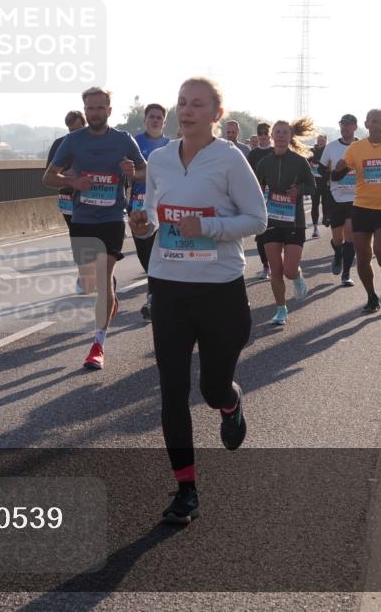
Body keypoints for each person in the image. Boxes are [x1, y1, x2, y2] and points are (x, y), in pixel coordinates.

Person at [128, 77, 266, 524]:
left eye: (197, 104)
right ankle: (185, 490)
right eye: (182, 103)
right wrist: (144, 224)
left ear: (216, 115)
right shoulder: (161, 159)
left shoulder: (230, 159)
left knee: (210, 388)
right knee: (171, 390)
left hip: (220, 290)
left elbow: (258, 218)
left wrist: (208, 229)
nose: (186, 111)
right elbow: (154, 210)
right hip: (168, 286)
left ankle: (229, 402)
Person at [43, 86, 146, 370]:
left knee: (102, 279)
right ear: (84, 110)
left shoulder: (123, 140)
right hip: (83, 219)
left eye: (100, 108)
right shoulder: (73, 141)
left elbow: (146, 171)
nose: (95, 113)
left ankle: (98, 345)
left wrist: (132, 173)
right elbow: (48, 178)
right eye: (90, 109)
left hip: (112, 218)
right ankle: (109, 296)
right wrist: (73, 182)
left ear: (109, 110)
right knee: (91, 284)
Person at [330, 109, 381, 313]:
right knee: (363, 256)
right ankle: (371, 297)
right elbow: (337, 173)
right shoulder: (356, 148)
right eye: (374, 121)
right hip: (361, 209)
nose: (378, 125)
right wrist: (338, 169)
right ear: (366, 125)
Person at [254, 119, 317, 325]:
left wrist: (299, 190)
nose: (281, 135)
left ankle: (298, 278)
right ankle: (281, 310)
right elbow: (256, 188)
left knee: (289, 270)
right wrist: (261, 198)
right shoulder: (264, 163)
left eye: (284, 132)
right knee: (276, 269)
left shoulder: (299, 161)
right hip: (272, 219)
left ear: (290, 137)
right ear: (272, 135)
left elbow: (312, 186)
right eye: (277, 132)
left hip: (294, 221)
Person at [130, 103, 171, 320]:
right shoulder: (135, 143)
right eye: (151, 117)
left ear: (164, 122)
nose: (155, 120)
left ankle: (153, 297)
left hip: (161, 208)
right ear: (145, 120)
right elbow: (126, 170)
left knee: (158, 254)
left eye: (159, 117)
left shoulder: (172, 146)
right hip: (138, 207)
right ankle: (156, 289)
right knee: (144, 255)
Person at [320, 114, 359, 287]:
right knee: (338, 239)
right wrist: (333, 176)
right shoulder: (331, 147)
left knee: (350, 235)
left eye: (349, 125)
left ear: (355, 127)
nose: (345, 128)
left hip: (356, 197)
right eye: (343, 125)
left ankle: (346, 273)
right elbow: (320, 169)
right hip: (336, 197)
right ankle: (337, 253)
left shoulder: (362, 146)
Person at [46, 111, 87, 230]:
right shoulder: (59, 143)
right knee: (76, 233)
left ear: (85, 126)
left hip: (89, 196)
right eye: (71, 130)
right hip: (67, 197)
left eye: (78, 130)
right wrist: (64, 175)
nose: (74, 134)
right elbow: (48, 174)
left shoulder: (93, 142)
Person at [246, 123, 274, 279]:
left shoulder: (275, 151)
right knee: (261, 234)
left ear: (269, 135)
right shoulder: (253, 154)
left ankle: (276, 260)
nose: (263, 136)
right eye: (260, 134)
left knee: (275, 232)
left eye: (265, 133)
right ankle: (265, 266)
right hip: (258, 198)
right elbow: (247, 176)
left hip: (276, 199)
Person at [308, 133, 329, 236]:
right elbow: (306, 164)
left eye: (322, 140)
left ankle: (326, 218)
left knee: (325, 203)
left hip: (325, 182)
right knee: (314, 204)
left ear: (326, 141)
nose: (320, 142)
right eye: (319, 140)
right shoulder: (312, 151)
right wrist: (310, 164)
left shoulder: (328, 151)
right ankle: (315, 228)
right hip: (315, 182)